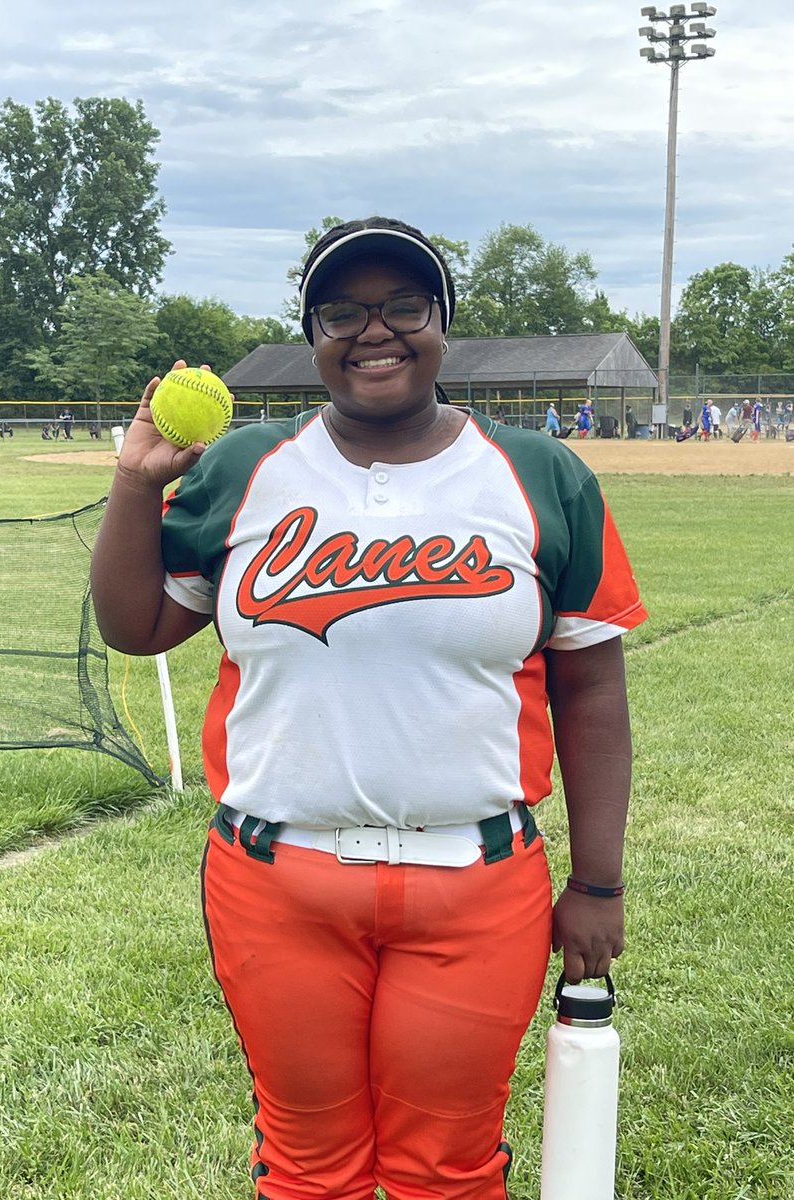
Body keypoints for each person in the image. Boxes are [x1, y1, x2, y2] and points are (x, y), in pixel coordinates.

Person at [90, 215, 647, 1200]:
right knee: (309, 1168)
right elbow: (136, 627)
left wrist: (597, 885)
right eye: (342, 310)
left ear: (442, 325)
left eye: (403, 306)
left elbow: (592, 692)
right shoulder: (243, 468)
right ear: (312, 335)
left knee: (449, 1171)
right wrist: (137, 487)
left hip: (476, 885)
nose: (373, 330)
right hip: (277, 883)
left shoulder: (538, 474)